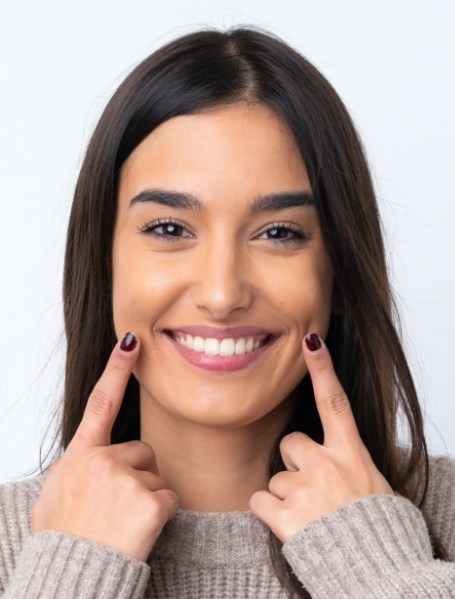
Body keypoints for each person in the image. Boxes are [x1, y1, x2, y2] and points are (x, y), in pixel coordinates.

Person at [0, 26, 454, 598]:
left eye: (279, 232)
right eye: (169, 228)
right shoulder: (14, 548)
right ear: (103, 261)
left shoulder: (444, 518)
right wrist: (71, 572)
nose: (221, 294)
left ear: (339, 269)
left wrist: (380, 571)